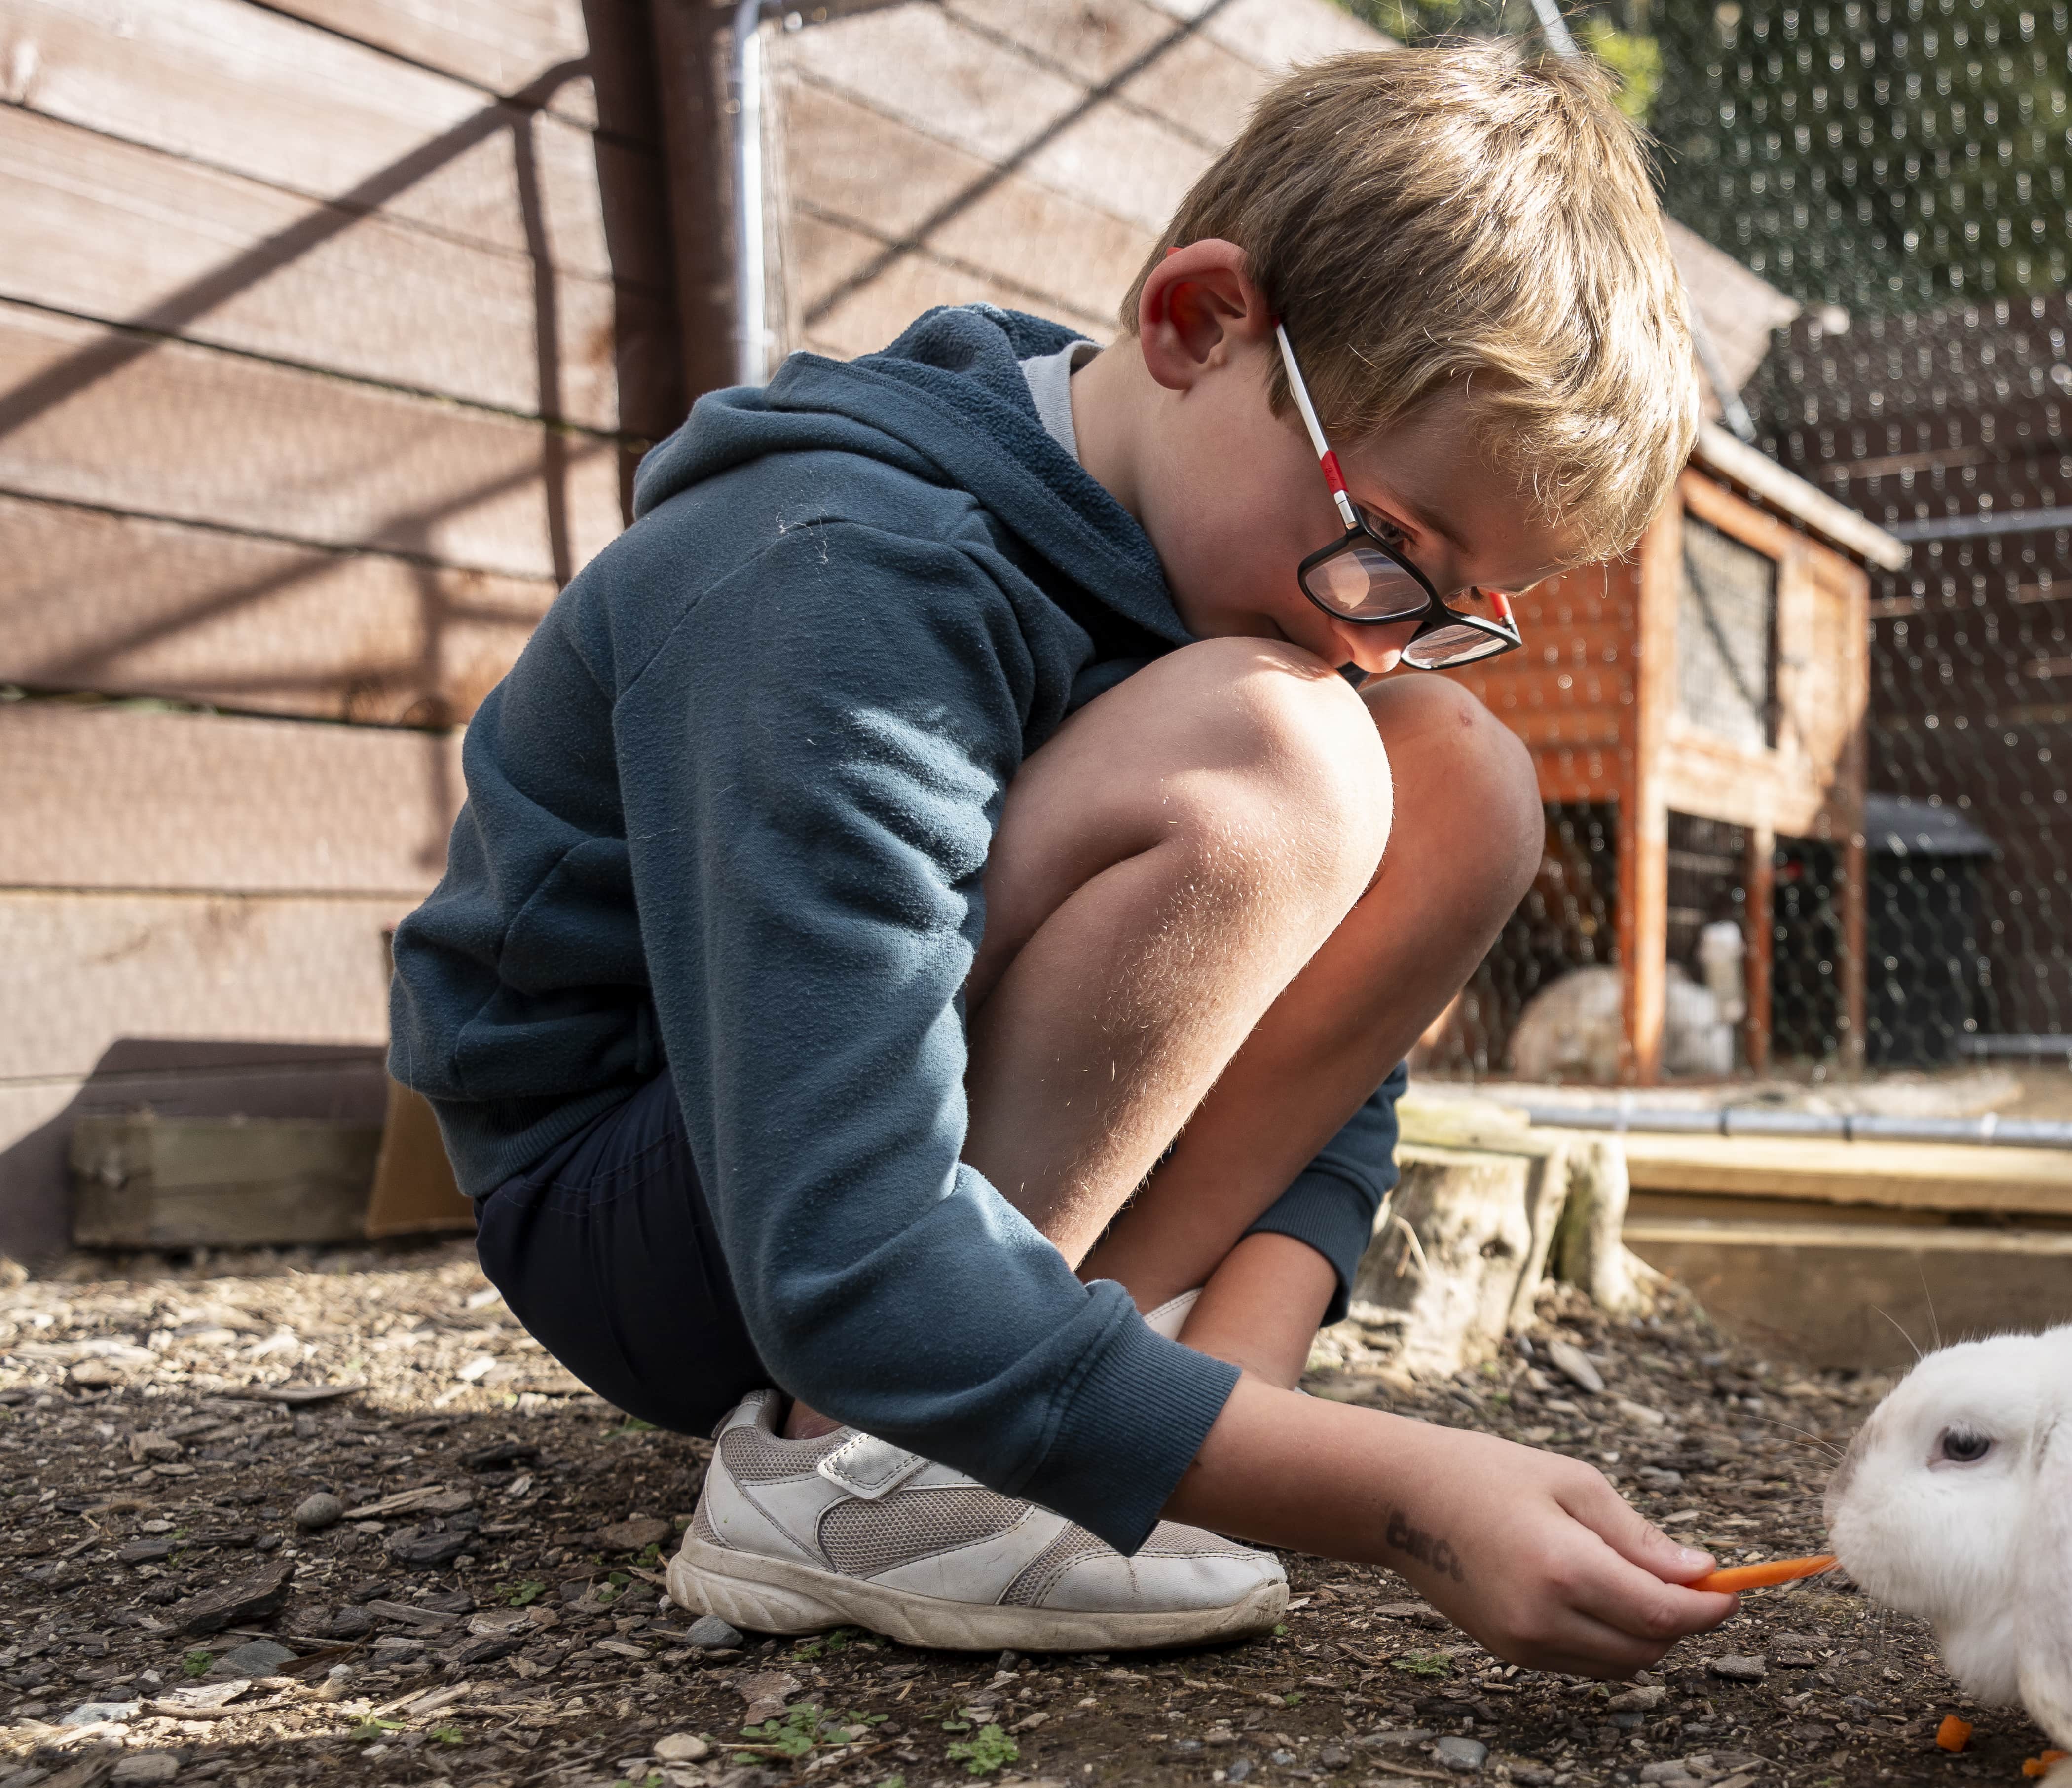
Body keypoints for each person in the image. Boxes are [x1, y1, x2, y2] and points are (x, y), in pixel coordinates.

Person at [386, 43, 1741, 1676]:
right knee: (1283, 754)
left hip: (864, 1181)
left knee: (1461, 777)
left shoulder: (1198, 536)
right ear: (1196, 323)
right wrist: (1400, 1499)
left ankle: (1016, 1404)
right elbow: (841, 1245)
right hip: (673, 1204)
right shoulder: (836, 570)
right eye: (1386, 547)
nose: (1383, 640)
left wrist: (1234, 1425)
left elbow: (1327, 1077)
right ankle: (848, 1467)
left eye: (1451, 608)